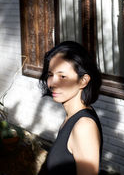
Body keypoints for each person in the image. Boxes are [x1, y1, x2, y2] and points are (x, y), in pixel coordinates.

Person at [39, 41, 103, 175]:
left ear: (83, 80)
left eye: (62, 76)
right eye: (50, 75)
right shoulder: (71, 117)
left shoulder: (84, 126)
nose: (52, 84)